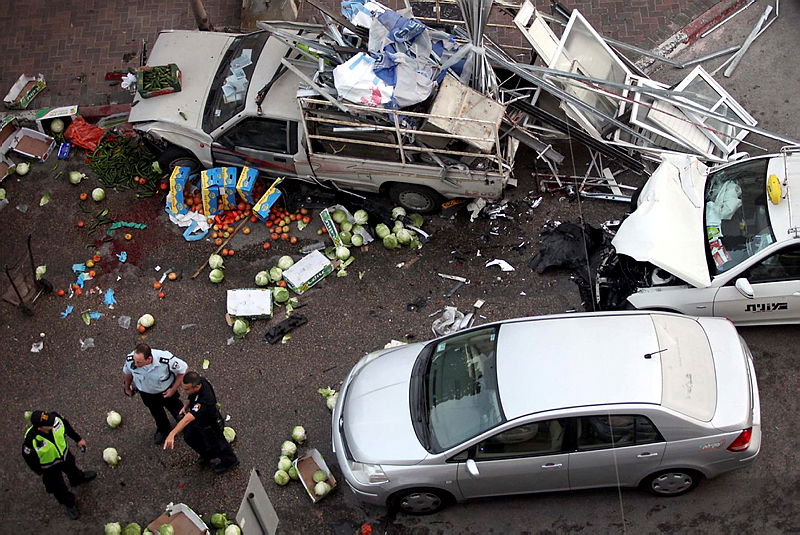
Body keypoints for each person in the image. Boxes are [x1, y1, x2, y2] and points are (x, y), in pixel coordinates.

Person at [22, 410, 96, 520]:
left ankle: (77, 479)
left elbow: (66, 426)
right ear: (40, 428)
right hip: (49, 468)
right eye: (49, 423)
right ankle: (69, 504)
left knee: (72, 468)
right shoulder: (31, 439)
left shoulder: (55, 419)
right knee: (58, 488)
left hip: (65, 456)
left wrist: (78, 439)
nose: (53, 422)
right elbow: (28, 457)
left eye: (50, 419)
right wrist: (40, 471)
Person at [163, 371, 239, 475]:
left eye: (186, 389)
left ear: (197, 386)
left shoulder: (205, 400)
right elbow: (192, 397)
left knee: (218, 444)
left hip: (210, 423)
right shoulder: (201, 381)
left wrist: (172, 433)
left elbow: (187, 419)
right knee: (190, 437)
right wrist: (186, 405)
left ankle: (230, 461)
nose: (184, 391)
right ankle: (207, 454)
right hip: (199, 421)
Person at [123, 343, 188, 444]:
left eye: (139, 362)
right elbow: (128, 372)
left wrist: (173, 389)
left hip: (166, 392)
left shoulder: (165, 360)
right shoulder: (131, 359)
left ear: (149, 359)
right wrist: (127, 387)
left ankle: (185, 424)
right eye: (135, 361)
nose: (135, 364)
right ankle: (163, 429)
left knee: (177, 408)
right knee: (156, 413)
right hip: (146, 393)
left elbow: (183, 370)